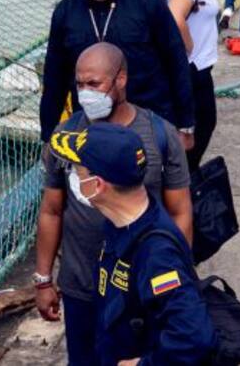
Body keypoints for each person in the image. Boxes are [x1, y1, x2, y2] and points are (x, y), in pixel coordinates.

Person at [36, 44, 193, 365]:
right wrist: (43, 280)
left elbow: (180, 211)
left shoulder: (159, 136)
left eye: (94, 84)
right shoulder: (66, 137)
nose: (85, 93)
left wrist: (178, 277)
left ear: (121, 79)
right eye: (79, 84)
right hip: (81, 287)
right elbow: (51, 210)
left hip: (137, 294)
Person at [49, 122, 217, 366]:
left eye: (78, 171)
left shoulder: (157, 254)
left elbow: (195, 337)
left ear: (97, 185)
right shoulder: (121, 224)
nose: (74, 177)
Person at [40, 0, 194, 145]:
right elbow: (54, 79)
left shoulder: (147, 2)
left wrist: (185, 125)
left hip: (149, 120)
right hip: (91, 127)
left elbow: (176, 61)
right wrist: (47, 136)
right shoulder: (65, 12)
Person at [161, 0, 220, 171]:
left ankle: (182, 177)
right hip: (193, 69)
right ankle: (184, 180)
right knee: (201, 126)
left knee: (191, 128)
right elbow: (175, 17)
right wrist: (189, 46)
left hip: (188, 67)